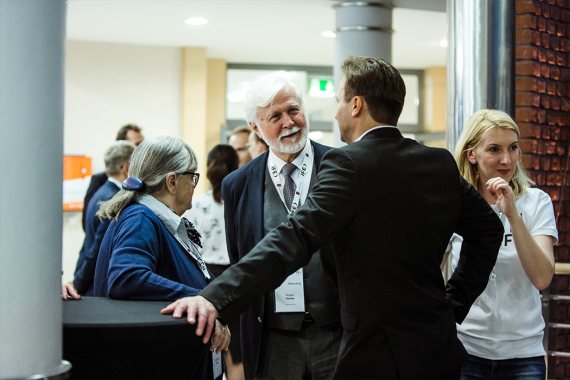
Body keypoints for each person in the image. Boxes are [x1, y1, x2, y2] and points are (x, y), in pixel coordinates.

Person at [162, 56, 504, 380]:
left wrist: (213, 298)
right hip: (434, 349)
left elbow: (294, 238)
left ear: (356, 105)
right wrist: (452, 303)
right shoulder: (438, 163)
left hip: (370, 353)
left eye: (339, 100)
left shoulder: (346, 164)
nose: (336, 111)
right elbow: (489, 229)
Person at [204, 73, 343, 380]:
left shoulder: (340, 165)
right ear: (256, 127)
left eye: (294, 110)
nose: (289, 122)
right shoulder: (237, 185)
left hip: (336, 332)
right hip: (272, 337)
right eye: (275, 116)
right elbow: (240, 260)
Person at [92, 136, 229, 379]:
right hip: (154, 362)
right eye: (192, 177)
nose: (194, 185)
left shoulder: (152, 218)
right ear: (173, 181)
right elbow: (126, 276)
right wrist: (201, 299)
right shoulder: (141, 218)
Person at [449, 109, 557, 379]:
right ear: (472, 154)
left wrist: (512, 215)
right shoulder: (453, 205)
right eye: (494, 149)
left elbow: (542, 277)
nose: (506, 159)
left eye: (513, 148)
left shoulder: (536, 202)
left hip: (523, 355)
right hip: (465, 349)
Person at [184, 144, 242, 380]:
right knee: (236, 352)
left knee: (212, 345)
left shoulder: (196, 205)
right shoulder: (240, 202)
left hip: (208, 280)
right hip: (238, 278)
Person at [62, 141, 135, 299]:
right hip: (95, 282)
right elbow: (98, 247)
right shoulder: (114, 198)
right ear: (125, 167)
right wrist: (78, 284)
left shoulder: (101, 191)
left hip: (87, 276)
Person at [82, 123, 145, 231]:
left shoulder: (138, 180)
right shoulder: (104, 185)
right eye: (137, 144)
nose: (141, 149)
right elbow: (98, 233)